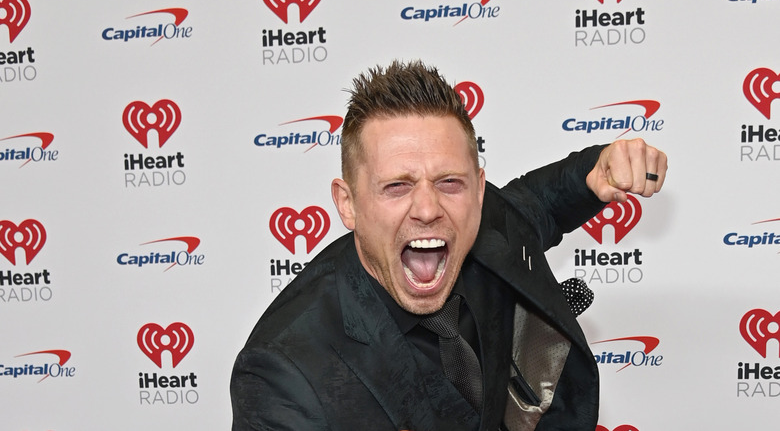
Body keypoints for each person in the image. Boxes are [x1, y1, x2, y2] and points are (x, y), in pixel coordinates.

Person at [230, 60, 667, 431]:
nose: (427, 208)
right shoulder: (282, 373)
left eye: (449, 182)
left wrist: (598, 170)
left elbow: (538, 205)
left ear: (478, 190)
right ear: (348, 204)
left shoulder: (485, 225)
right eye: (397, 186)